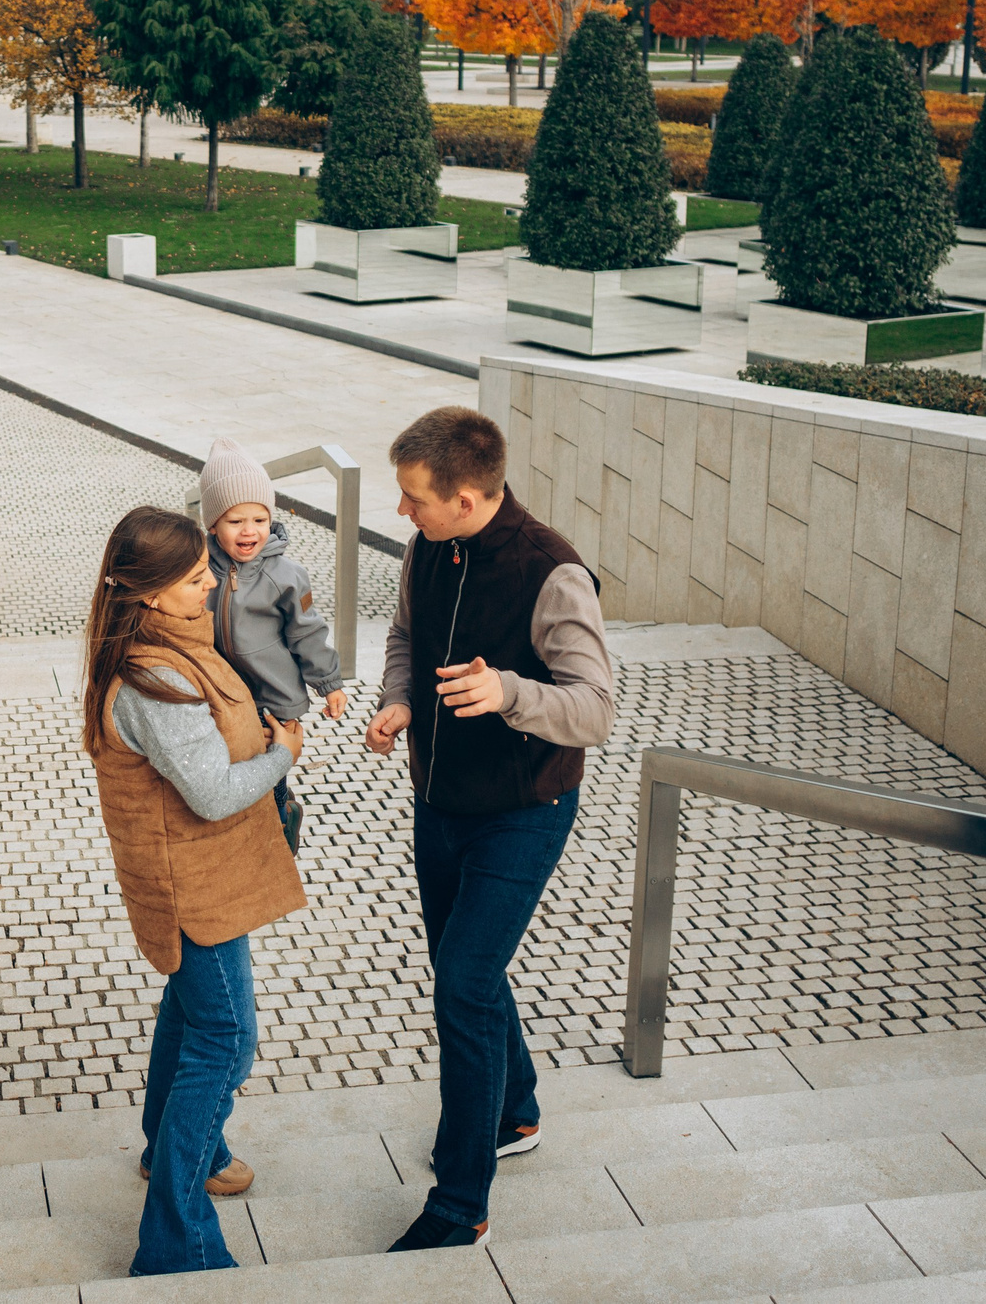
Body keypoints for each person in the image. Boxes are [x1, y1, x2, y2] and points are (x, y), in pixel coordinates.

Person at [363, 406, 616, 1253]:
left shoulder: (554, 574)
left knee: (464, 983)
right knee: (462, 968)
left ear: (467, 498)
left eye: (414, 499)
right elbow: (405, 635)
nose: (404, 513)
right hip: (437, 800)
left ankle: (460, 1200)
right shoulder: (426, 549)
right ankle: (514, 1110)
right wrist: (399, 699)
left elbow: (595, 710)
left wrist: (509, 692)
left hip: (521, 811)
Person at [82, 505, 308, 1276]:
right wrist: (282, 753)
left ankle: (178, 1149)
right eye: (193, 579)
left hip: (207, 873)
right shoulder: (159, 680)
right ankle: (176, 1241)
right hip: (194, 886)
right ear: (146, 594)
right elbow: (213, 792)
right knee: (227, 1038)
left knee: (190, 1014)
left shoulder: (170, 645)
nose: (211, 583)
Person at [198, 438, 347, 852]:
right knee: (234, 763)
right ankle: (245, 829)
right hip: (221, 691)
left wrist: (329, 682)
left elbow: (307, 631)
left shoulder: (286, 574)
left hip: (272, 695)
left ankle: (282, 818)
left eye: (260, 519)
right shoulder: (198, 566)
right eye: (235, 521)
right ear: (212, 524)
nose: (250, 531)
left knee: (272, 762)